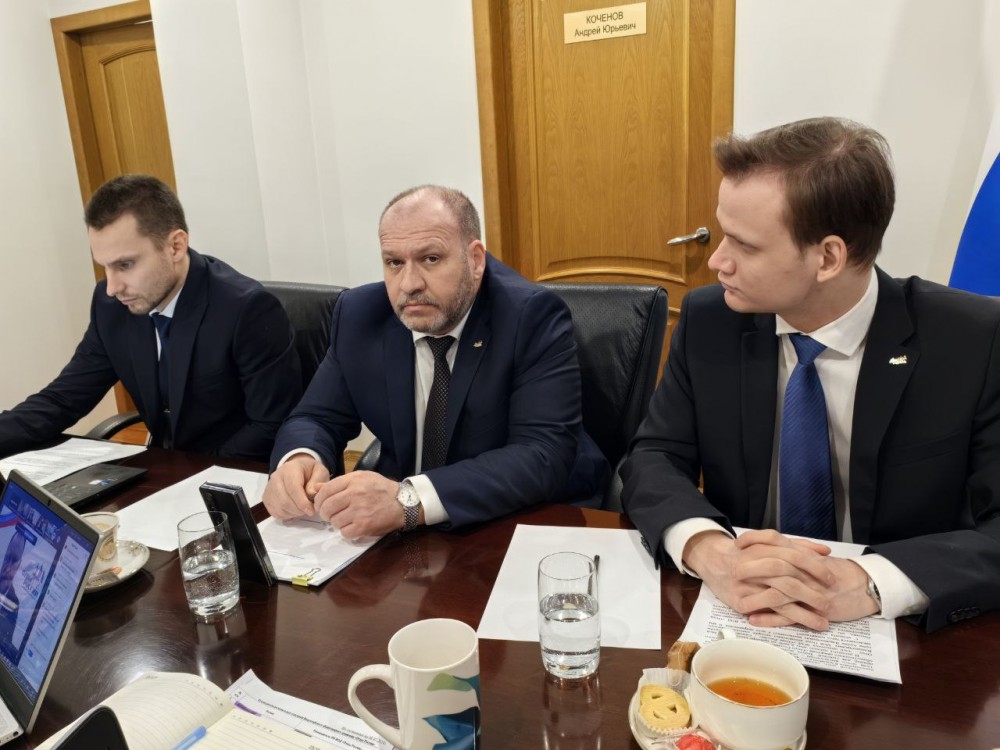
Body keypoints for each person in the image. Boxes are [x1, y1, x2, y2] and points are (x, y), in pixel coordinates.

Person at [621, 117, 1000, 633]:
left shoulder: (972, 341)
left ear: (828, 257)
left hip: (895, 631)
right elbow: (654, 456)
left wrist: (870, 581)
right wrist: (709, 549)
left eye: (744, 245)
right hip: (740, 615)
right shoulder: (711, 320)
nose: (717, 261)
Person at [264, 185, 608, 535]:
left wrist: (410, 500)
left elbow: (542, 453)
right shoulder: (360, 314)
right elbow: (317, 416)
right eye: (394, 262)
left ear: (475, 260)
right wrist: (300, 458)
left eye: (430, 259)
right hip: (406, 528)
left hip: (523, 517)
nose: (409, 284)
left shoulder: (529, 316)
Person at [0, 175, 302, 462]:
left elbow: (271, 425)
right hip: (166, 473)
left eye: (125, 265)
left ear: (175, 246)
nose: (112, 287)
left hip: (235, 475)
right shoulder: (111, 306)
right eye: (105, 267)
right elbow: (62, 400)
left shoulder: (246, 309)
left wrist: (188, 475)